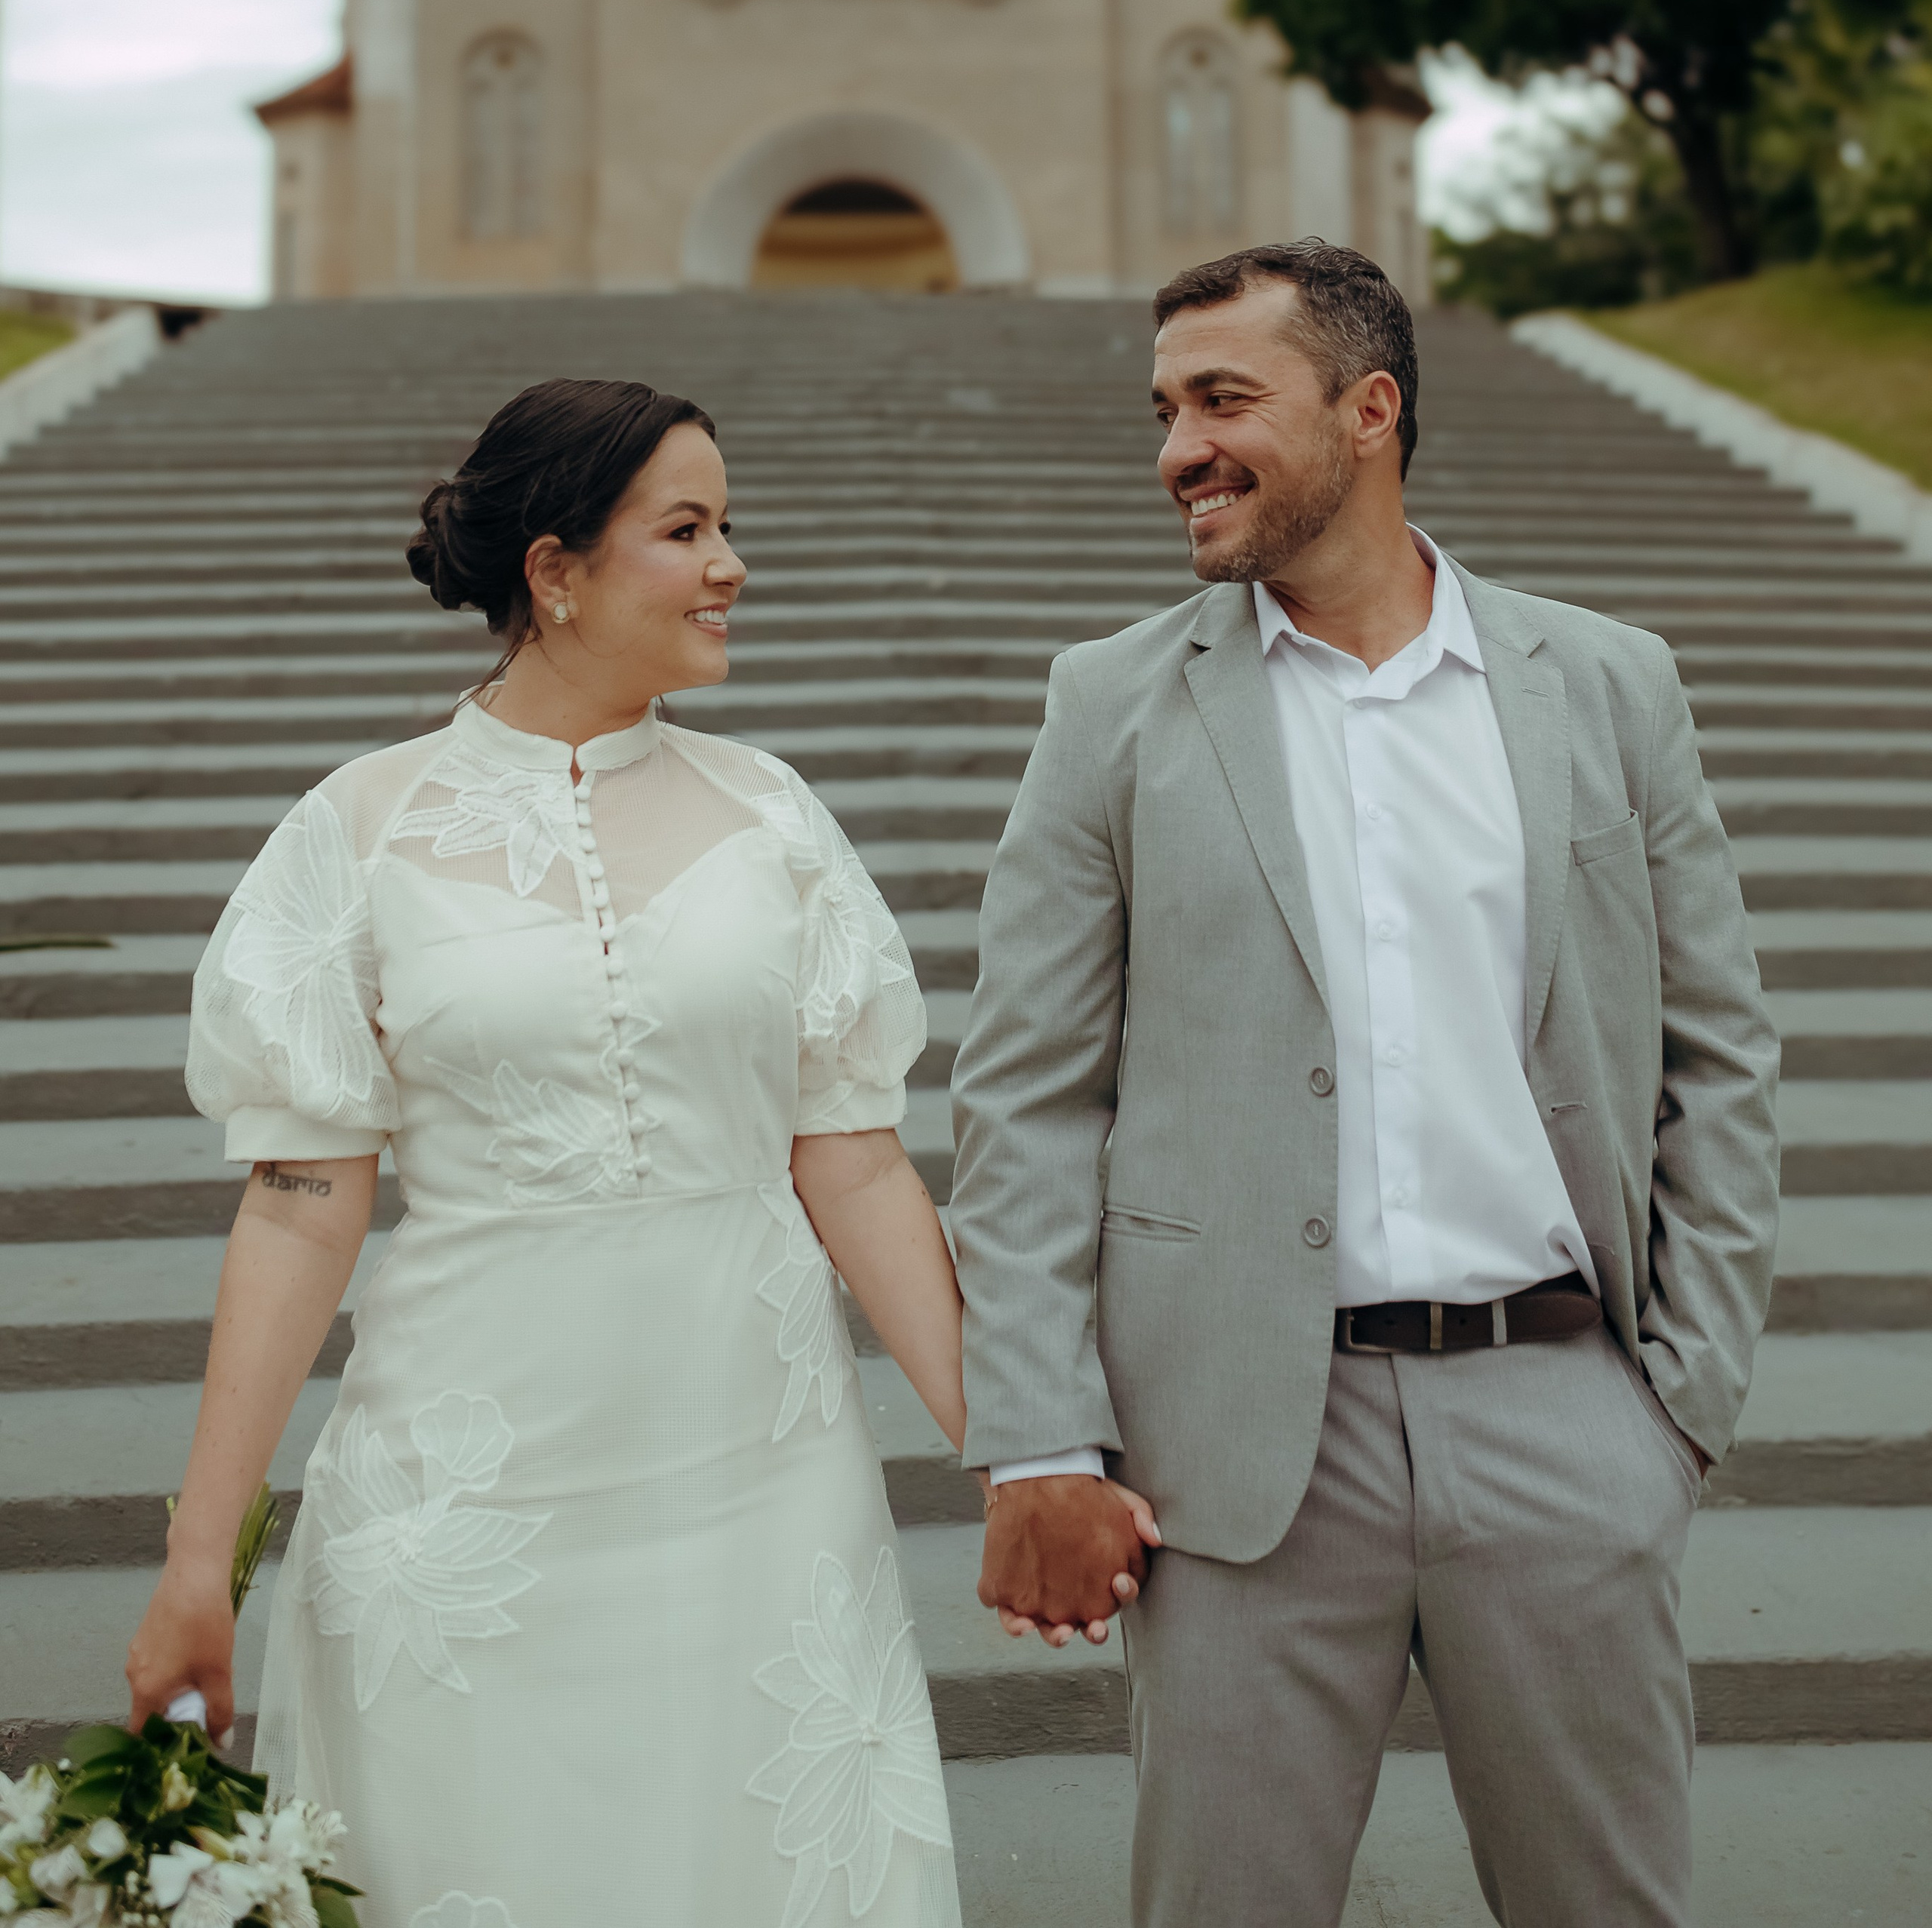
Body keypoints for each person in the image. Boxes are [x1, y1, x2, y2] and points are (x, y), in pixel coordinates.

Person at [128, 377, 1158, 1928]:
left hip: (756, 1495)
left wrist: (1022, 1451)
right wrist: (201, 1556)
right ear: (555, 569)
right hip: (459, 1509)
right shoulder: (356, 834)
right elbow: (296, 1205)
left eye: (728, 525)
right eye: (686, 529)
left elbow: (857, 1166)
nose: (730, 562)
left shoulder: (773, 819)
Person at [949, 241, 1781, 1928]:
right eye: (1163, 407)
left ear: (1368, 409)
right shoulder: (1108, 704)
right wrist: (1038, 1428)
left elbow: (1718, 1050)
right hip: (1236, 1454)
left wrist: (1675, 1403)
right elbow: (1024, 1097)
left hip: (1564, 1404)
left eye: (1221, 399)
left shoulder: (1606, 685)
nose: (1174, 444)